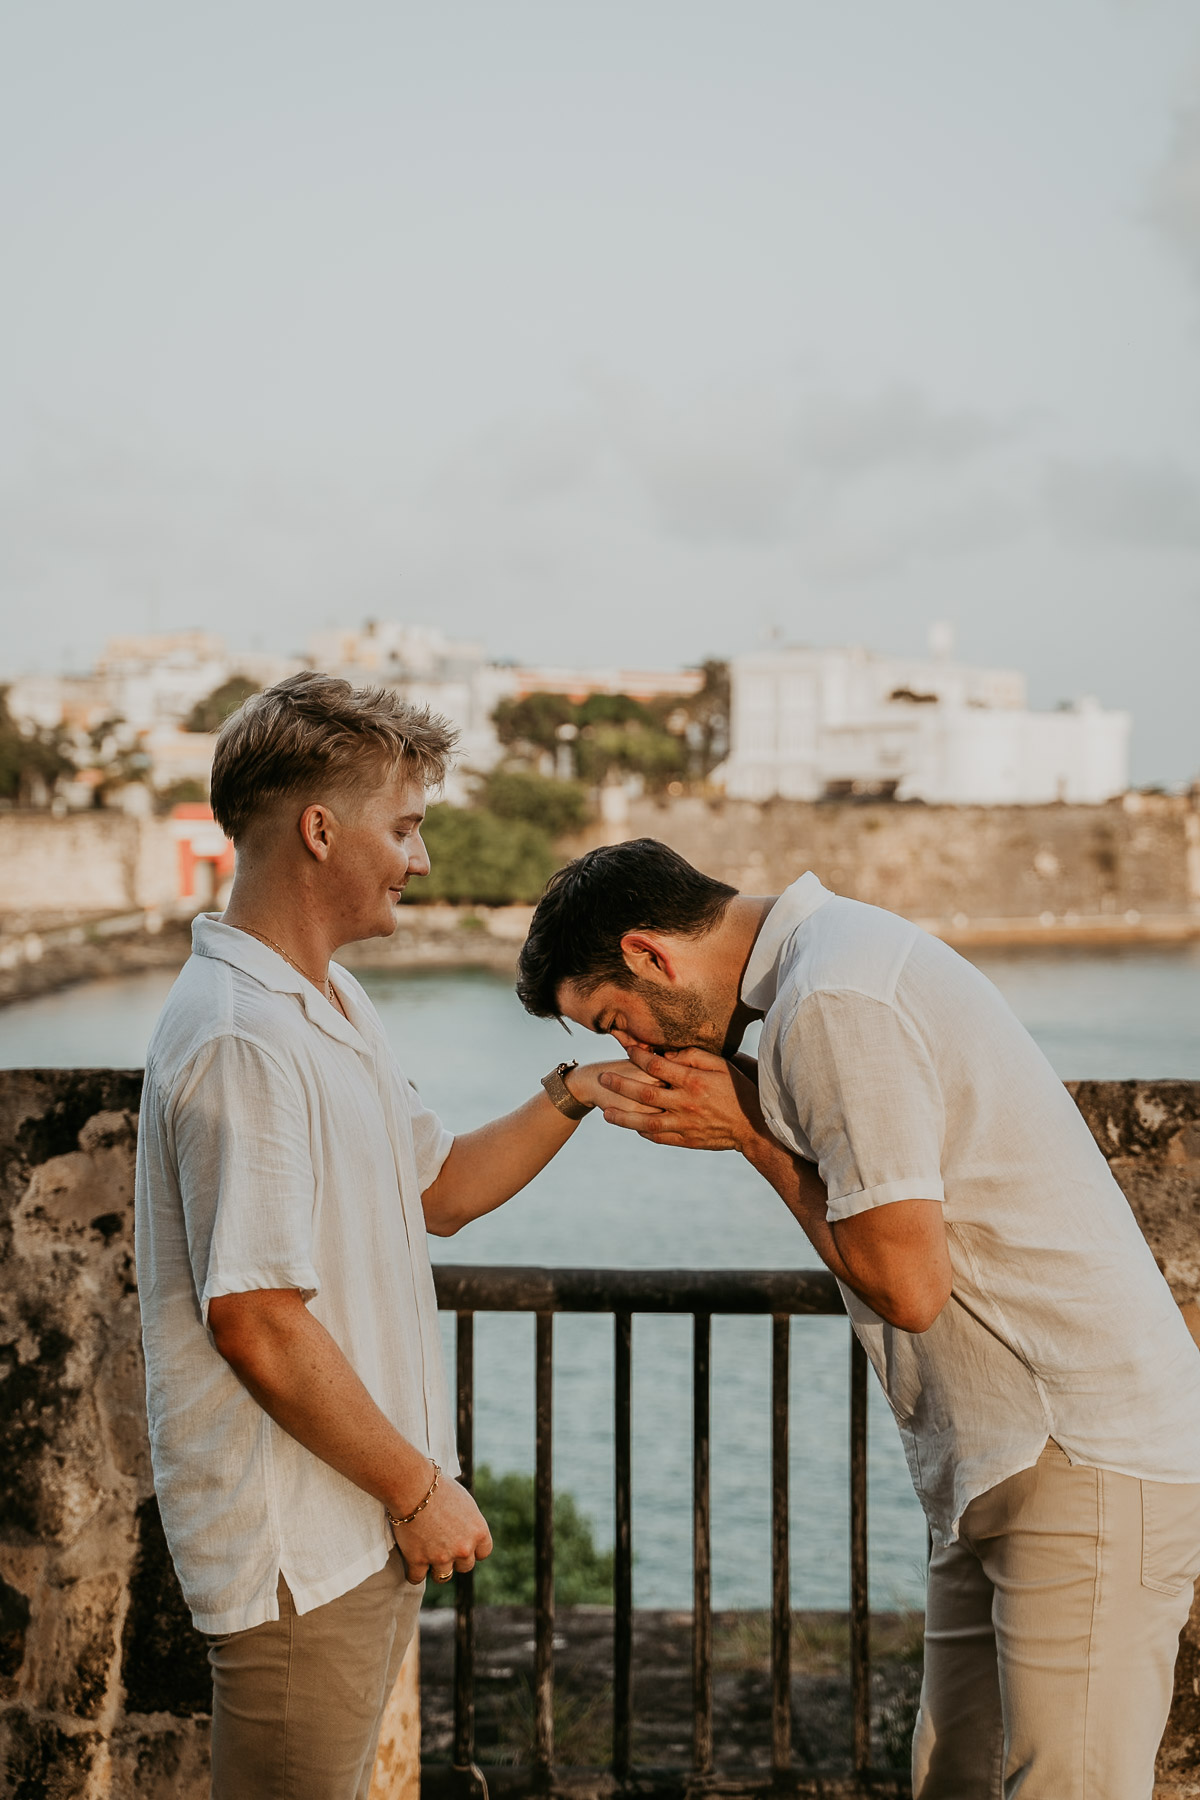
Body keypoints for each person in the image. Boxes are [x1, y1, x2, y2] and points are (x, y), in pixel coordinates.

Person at [516, 836, 1200, 1800]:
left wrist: (752, 1135)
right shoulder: (835, 961)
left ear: (649, 954)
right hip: (1005, 1456)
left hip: (1079, 1455)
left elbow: (907, 1285)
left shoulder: (833, 999)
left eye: (614, 1020)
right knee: (953, 1780)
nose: (634, 1049)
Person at [134, 673, 648, 1800]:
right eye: (405, 828)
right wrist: (419, 1489)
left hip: (349, 1534)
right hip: (300, 1550)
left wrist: (580, 1090)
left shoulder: (328, 1003)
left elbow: (441, 1188)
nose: (421, 860)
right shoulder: (243, 1038)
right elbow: (257, 1321)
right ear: (321, 831)